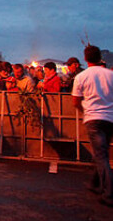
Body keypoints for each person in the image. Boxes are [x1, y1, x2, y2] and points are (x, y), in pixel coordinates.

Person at [72, 45, 113, 207]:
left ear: (85, 58)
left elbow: (76, 100)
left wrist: (85, 111)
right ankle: (95, 183)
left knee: (101, 156)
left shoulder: (82, 76)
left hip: (93, 118)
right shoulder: (110, 75)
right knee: (101, 153)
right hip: (110, 119)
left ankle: (109, 193)